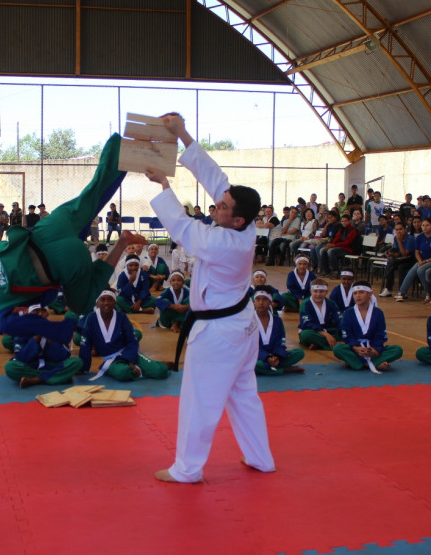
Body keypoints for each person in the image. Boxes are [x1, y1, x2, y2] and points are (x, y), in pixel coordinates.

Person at [145, 112, 274, 484]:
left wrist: (164, 185)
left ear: (237, 220)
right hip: (241, 326)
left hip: (219, 334)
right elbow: (216, 179)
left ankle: (186, 469)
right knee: (243, 395)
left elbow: (183, 227)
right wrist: (183, 133)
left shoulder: (224, 242)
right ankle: (261, 458)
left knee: (200, 401)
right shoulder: (241, 224)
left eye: (222, 206)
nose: (217, 205)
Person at [0, 133, 147, 347]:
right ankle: (121, 146)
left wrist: (56, 330)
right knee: (94, 194)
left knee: (83, 302)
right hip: (51, 227)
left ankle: (122, 243)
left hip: (62, 260)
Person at [77, 291, 169, 382]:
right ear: (97, 303)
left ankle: (154, 366)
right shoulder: (91, 318)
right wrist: (83, 367)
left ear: (115, 303)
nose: (106, 303)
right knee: (123, 373)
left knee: (160, 371)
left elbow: (132, 340)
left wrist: (130, 361)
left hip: (127, 352)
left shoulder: (121, 317)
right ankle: (138, 369)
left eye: (110, 300)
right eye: (103, 300)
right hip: (111, 360)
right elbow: (85, 343)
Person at [333, 281, 403, 371]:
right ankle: (372, 363)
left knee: (397, 350)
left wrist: (375, 351)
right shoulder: (348, 313)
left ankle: (356, 363)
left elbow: (380, 334)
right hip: (356, 349)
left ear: (370, 294)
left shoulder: (378, 313)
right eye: (355, 293)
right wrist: (355, 348)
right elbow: (346, 334)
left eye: (361, 292)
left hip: (373, 348)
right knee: (338, 349)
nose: (358, 296)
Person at [252, 287, 305, 375]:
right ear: (254, 302)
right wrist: (267, 358)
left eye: (265, 299)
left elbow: (281, 341)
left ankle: (270, 367)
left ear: (270, 302)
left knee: (299, 353)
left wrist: (277, 356)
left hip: (274, 355)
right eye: (258, 299)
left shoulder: (277, 320)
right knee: (254, 364)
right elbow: (251, 347)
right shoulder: (248, 321)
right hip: (256, 356)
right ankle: (284, 370)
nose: (261, 303)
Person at [395, 218, 431, 302]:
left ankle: (428, 294)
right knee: (411, 272)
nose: (425, 227)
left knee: (420, 270)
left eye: (427, 225)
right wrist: (420, 261)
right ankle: (401, 293)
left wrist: (426, 261)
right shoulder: (419, 237)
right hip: (421, 260)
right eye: (423, 225)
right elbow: (417, 252)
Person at [298, 279, 342, 351]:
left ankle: (319, 344)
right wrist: (326, 335)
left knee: (343, 332)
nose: (318, 294)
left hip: (329, 330)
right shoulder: (305, 304)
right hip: (313, 331)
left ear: (326, 292)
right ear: (311, 291)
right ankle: (334, 344)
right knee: (305, 335)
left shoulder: (331, 303)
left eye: (321, 291)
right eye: (315, 291)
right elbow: (307, 323)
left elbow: (339, 320)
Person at [380, 222, 415, 298]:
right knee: (391, 262)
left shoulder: (410, 239)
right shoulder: (396, 238)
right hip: (400, 259)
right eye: (397, 230)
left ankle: (402, 291)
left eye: (401, 229)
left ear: (405, 230)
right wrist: (391, 254)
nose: (399, 231)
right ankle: (388, 289)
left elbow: (405, 254)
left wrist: (399, 241)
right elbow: (398, 252)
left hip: (411, 259)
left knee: (398, 266)